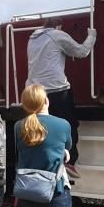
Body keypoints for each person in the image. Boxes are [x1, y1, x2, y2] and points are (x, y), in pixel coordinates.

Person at [25, 17, 96, 178]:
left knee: (39, 126)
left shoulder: (33, 38)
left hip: (34, 90)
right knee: (68, 124)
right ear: (58, 26)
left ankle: (42, 158)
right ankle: (68, 160)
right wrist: (92, 36)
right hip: (56, 89)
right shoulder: (57, 35)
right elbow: (81, 52)